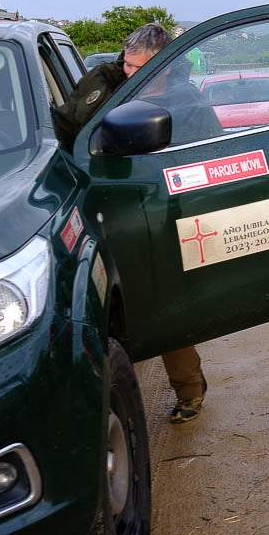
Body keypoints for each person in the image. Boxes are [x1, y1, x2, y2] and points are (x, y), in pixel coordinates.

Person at [54, 22, 212, 425]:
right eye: (127, 65)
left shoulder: (188, 102)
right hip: (101, 208)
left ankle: (189, 390)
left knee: (162, 303)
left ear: (165, 65)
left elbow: (210, 157)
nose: (131, 75)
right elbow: (68, 134)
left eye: (142, 68)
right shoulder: (101, 87)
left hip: (160, 210)